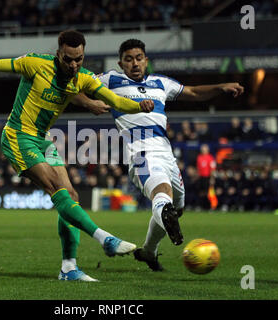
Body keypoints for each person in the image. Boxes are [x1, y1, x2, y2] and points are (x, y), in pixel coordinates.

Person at [0, 30, 155, 282]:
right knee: (54, 187)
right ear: (59, 53)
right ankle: (104, 238)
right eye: (68, 59)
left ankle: (69, 268)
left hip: (43, 139)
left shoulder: (83, 78)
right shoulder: (36, 64)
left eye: (79, 59)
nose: (73, 65)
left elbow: (114, 99)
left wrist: (139, 106)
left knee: (70, 196)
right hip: (18, 135)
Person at [72, 38, 244, 271]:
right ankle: (158, 231)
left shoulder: (160, 83)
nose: (135, 63)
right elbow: (69, 88)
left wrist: (219, 87)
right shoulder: (109, 80)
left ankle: (149, 252)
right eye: (129, 59)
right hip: (140, 153)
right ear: (121, 63)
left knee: (175, 208)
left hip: (166, 153)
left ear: (146, 61)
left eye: (139, 58)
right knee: (161, 195)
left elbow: (192, 92)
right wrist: (89, 103)